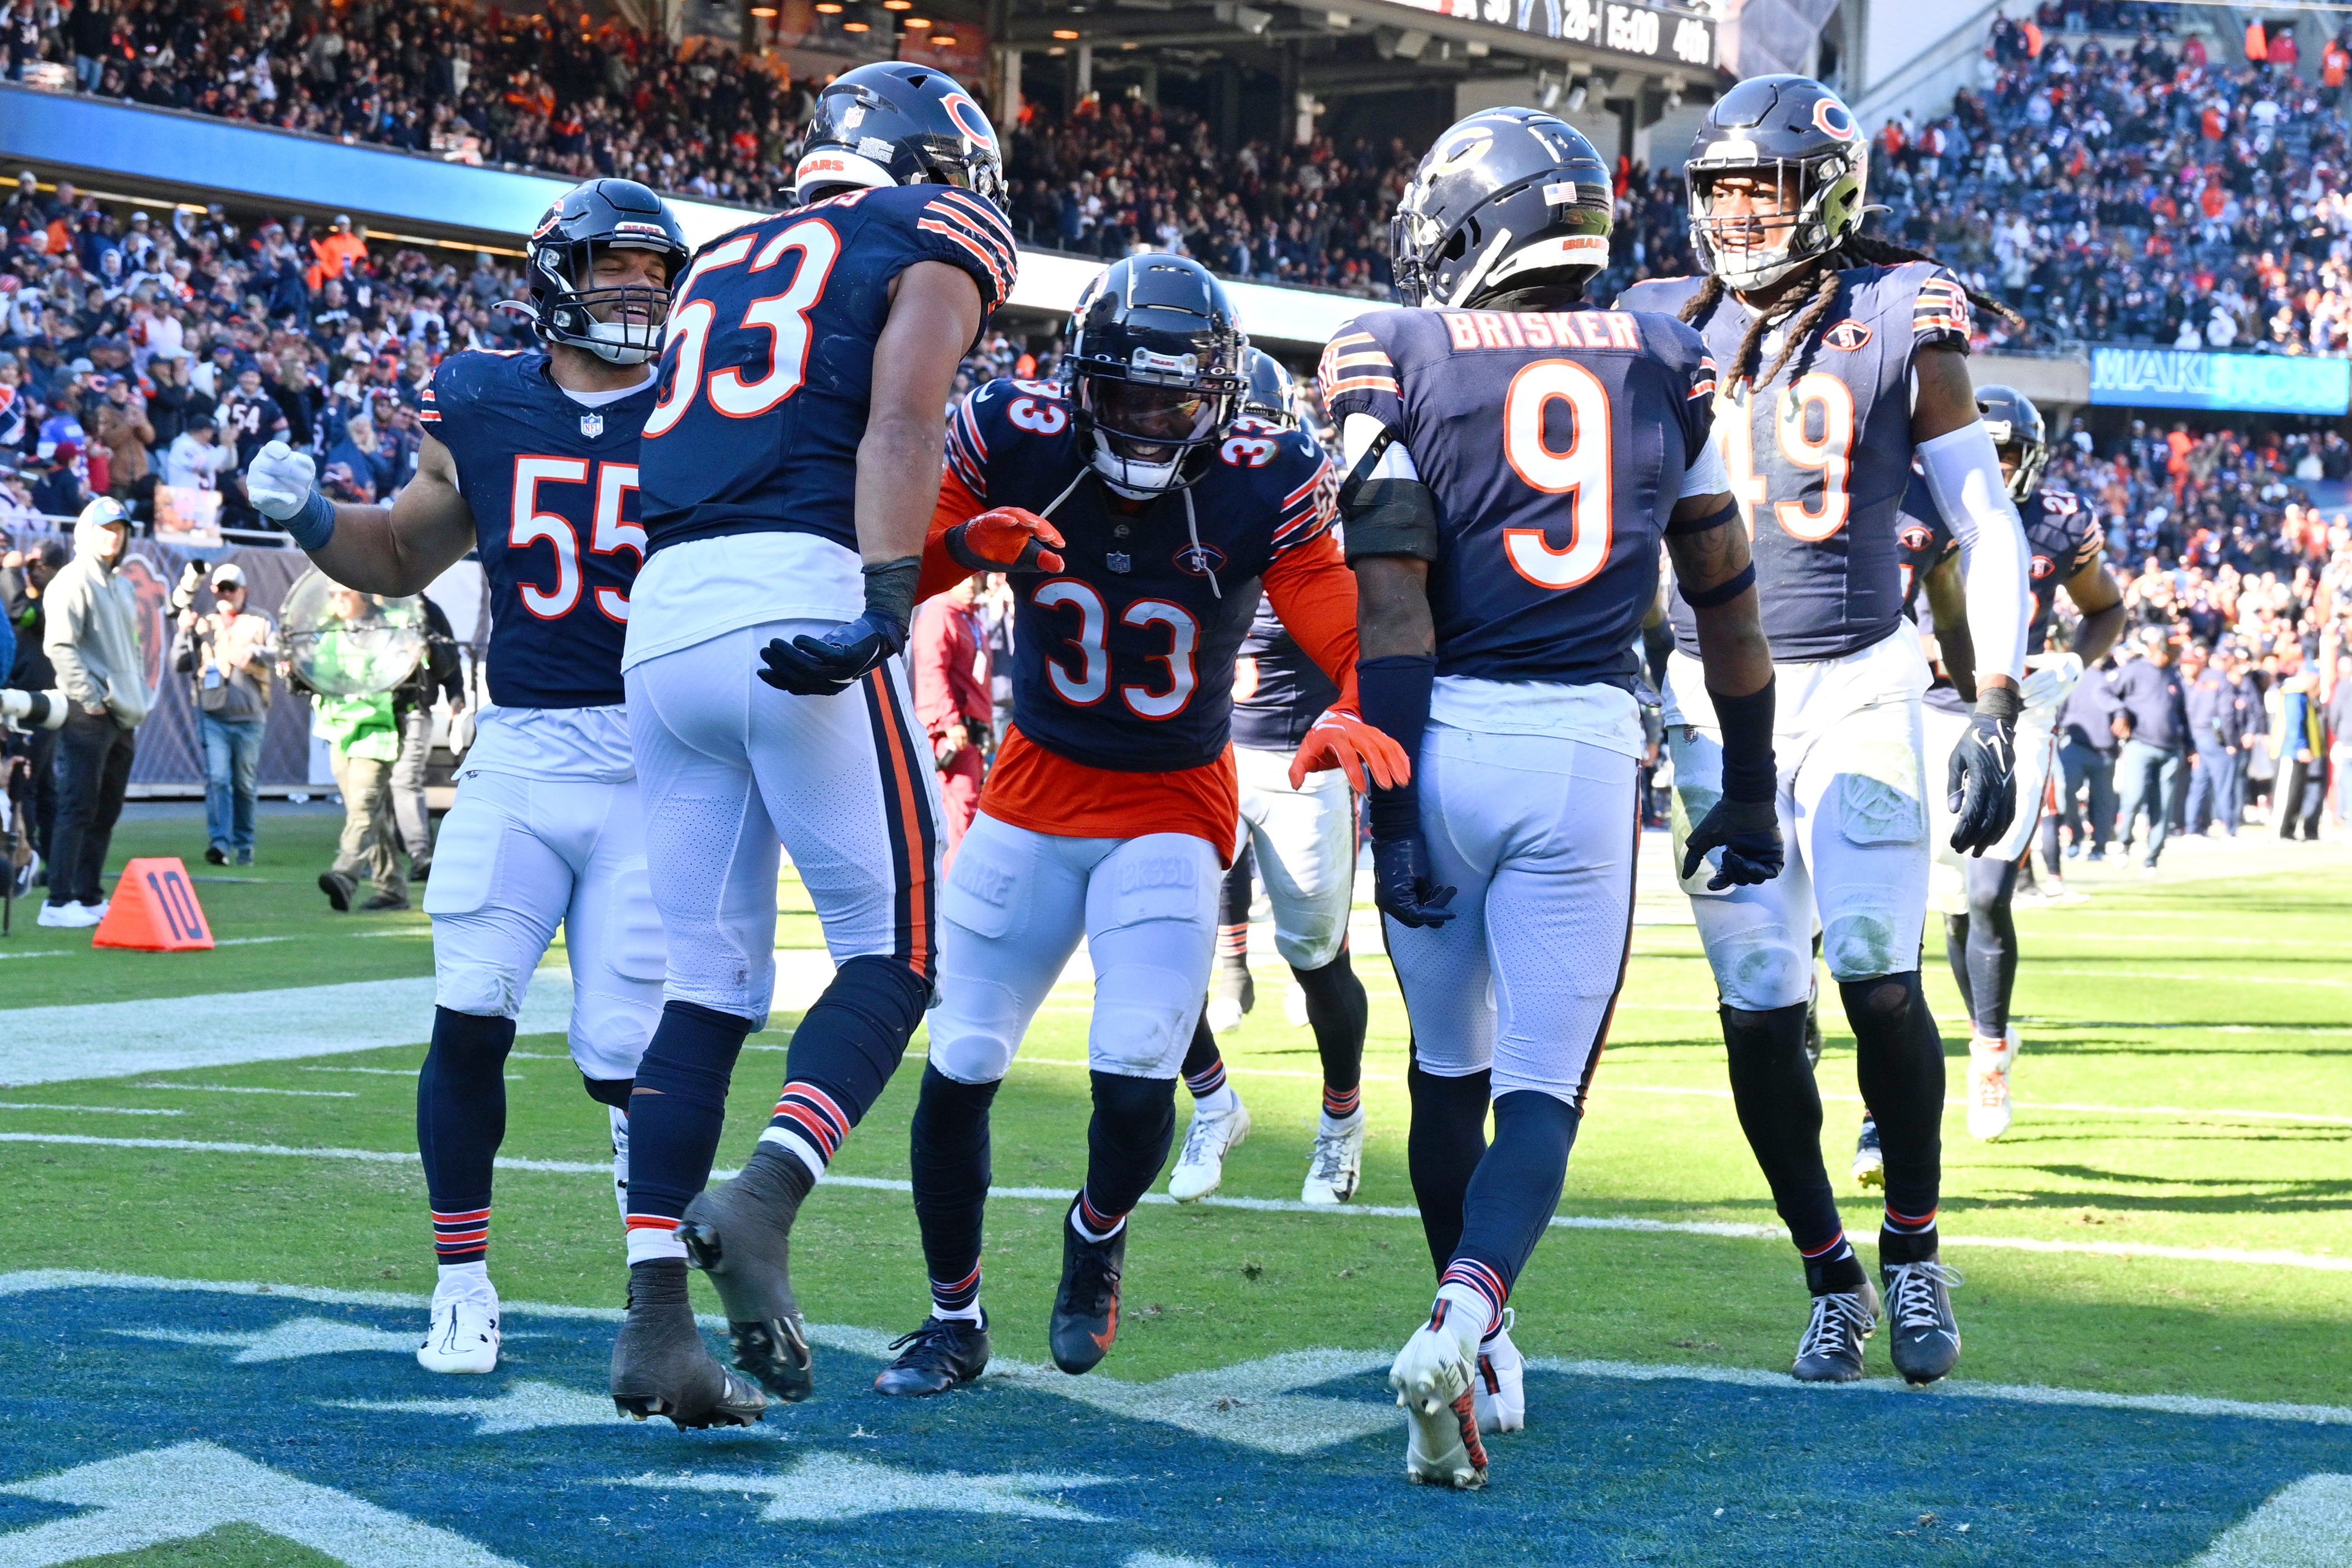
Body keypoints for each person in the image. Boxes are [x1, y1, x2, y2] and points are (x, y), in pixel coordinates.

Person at [1321, 109, 1772, 1489]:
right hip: (1579, 745)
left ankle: (1487, 1347)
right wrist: (1745, 789)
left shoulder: (1387, 346)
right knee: (1541, 1090)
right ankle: (1470, 1310)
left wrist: (1392, 815)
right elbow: (1723, 598)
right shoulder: (1665, 355)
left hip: (1435, 729)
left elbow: (1389, 608)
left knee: (1441, 1062)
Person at [867, 255, 1381, 1402]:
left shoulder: (1268, 475)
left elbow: (1336, 619)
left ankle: (1095, 1228)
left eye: (1174, 399)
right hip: (1030, 788)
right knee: (959, 1063)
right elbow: (900, 570)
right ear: (1081, 383)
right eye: (1128, 394)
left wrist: (1357, 698)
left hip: (1170, 798)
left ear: (1221, 397)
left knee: (1141, 1065)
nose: (1149, 420)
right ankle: (953, 1317)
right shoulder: (1015, 431)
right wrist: (960, 549)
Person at [609, 63, 1016, 1427]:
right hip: (794, 591)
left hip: (661, 614)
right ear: (925, 163)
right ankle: (767, 1197)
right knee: (901, 944)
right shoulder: (926, 230)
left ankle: (655, 1325)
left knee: (708, 986)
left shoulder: (715, 258)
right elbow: (898, 420)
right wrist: (889, 605)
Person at [1618, 75, 2032, 1388]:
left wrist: (1998, 695)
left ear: (1827, 191)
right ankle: (1828, 1274)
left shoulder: (1900, 304)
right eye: (1720, 185)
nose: (1738, 212)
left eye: (1765, 185)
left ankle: (1909, 1249)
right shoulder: (1645, 317)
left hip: (1855, 680)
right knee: (1755, 1004)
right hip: (1702, 697)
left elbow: (1982, 517)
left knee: (1872, 963)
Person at [245, 179, 691, 1378]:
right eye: (616, 267)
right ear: (557, 277)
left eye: (655, 270)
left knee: (623, 1049)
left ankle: (652, 1275)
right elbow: (396, 550)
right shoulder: (485, 397)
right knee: (471, 1009)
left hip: (654, 760)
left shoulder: (706, 400)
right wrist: (306, 514)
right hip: (529, 748)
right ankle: (459, 1282)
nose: (640, 289)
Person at [1169, 346, 1375, 1208]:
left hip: (1297, 758)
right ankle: (1213, 1103)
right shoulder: (1167, 503)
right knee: (1151, 945)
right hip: (1197, 756)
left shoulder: (1309, 517)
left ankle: (1340, 1119)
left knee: (1316, 957)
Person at [1896, 387, 2124, 1142]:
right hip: (1928, 707)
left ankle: (1988, 1056)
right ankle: (1967, 1030)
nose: (1992, 466)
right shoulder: (1914, 500)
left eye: (2005, 453)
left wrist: (2074, 665)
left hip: (2018, 710)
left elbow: (2105, 608)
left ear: (2028, 458)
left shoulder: (2056, 520)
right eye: (1982, 449)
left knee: (1989, 888)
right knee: (1948, 904)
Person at [40, 498, 151, 928]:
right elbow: (60, 646)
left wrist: (135, 692)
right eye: (105, 528)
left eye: (120, 529)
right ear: (87, 531)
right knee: (78, 805)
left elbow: (134, 651)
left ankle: (87, 895)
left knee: (107, 810)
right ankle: (58, 900)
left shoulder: (121, 584)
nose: (113, 536)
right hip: (89, 713)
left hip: (122, 712)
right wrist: (88, 697)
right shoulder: (72, 580)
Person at [168, 560, 278, 866]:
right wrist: (183, 633)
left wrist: (255, 652)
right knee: (217, 778)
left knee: (243, 783)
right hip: (213, 714)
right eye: (220, 589)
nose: (225, 595)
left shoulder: (261, 620)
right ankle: (220, 844)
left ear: (244, 590)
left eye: (231, 588)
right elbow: (179, 663)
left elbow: (282, 651)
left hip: (250, 715)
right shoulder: (203, 622)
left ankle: (244, 844)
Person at [309, 584, 411, 913]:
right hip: (340, 729)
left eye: (344, 594)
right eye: (333, 594)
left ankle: (345, 874)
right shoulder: (329, 631)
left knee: (363, 809)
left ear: (363, 596)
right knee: (372, 814)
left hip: (379, 730)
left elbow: (405, 667)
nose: (337, 600)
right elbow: (319, 675)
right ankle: (393, 889)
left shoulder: (393, 625)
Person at [908, 569, 992, 864]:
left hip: (972, 730)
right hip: (953, 732)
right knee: (959, 815)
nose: (970, 583)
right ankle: (952, 898)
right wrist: (949, 721)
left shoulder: (969, 617)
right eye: (962, 577)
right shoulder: (939, 614)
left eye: (975, 577)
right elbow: (932, 671)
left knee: (968, 812)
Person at [2109, 625, 2189, 868]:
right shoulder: (2135, 670)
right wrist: (2120, 713)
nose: (2181, 650)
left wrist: (2190, 746)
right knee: (2132, 797)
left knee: (2163, 807)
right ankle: (2124, 844)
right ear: (2163, 645)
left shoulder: (2174, 675)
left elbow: (2182, 714)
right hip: (2140, 745)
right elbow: (2105, 693)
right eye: (2177, 645)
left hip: (2171, 750)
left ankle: (2152, 858)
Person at [2056, 652, 2122, 856]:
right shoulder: (2073, 674)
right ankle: (2075, 836)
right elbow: (2060, 708)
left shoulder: (2116, 676)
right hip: (2076, 743)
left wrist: (2121, 714)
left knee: (2103, 801)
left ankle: (2100, 846)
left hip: (2106, 749)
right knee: (2066, 791)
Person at [2183, 641, 2249, 836]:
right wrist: (2230, 742)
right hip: (2216, 738)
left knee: (2199, 785)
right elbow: (2226, 714)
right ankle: (2229, 828)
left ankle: (2192, 829)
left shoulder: (2200, 681)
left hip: (2198, 736)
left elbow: (2190, 710)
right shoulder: (2223, 681)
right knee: (2225, 785)